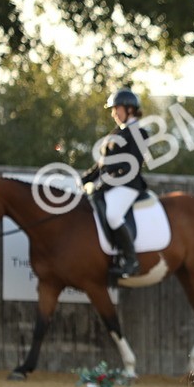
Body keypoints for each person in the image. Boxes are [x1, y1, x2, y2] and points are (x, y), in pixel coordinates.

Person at [81, 88, 148, 278]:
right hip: (111, 184)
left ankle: (131, 260)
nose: (113, 114)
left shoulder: (139, 133)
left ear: (129, 109)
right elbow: (102, 163)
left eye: (116, 109)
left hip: (128, 185)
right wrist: (86, 177)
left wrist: (106, 182)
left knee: (113, 215)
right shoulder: (118, 132)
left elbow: (132, 165)